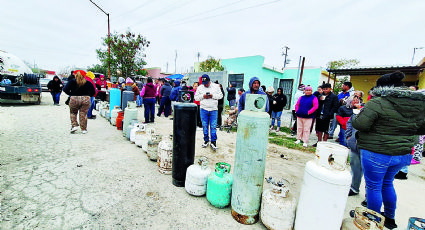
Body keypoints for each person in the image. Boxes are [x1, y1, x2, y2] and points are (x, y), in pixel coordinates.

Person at [352, 71, 425, 229]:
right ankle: (390, 219)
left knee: (374, 186)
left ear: (381, 88)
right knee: (387, 183)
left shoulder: (377, 102)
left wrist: (355, 115)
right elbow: (422, 128)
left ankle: (373, 219)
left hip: (377, 153)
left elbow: (361, 124)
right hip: (402, 153)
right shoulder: (419, 103)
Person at [194, 74, 223, 150]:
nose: (206, 85)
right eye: (204, 84)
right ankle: (206, 140)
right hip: (203, 109)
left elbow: (221, 96)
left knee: (213, 126)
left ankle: (213, 142)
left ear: (209, 81)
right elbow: (196, 97)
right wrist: (203, 96)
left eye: (207, 83)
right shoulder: (200, 87)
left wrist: (212, 96)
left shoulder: (216, 86)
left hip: (213, 109)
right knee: (204, 126)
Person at [346, 108, 362, 196]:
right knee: (355, 168)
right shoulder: (361, 110)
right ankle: (354, 187)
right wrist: (348, 136)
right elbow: (350, 122)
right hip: (355, 145)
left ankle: (370, 197)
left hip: (370, 147)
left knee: (371, 174)